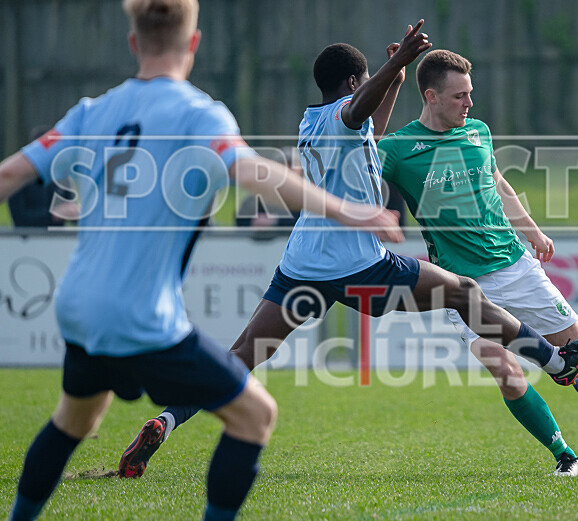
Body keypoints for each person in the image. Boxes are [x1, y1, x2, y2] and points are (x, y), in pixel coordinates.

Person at [120, 25, 578, 480]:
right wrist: (399, 66)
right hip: (356, 265)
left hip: (301, 264)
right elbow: (356, 113)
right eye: (366, 79)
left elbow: (365, 123)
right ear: (353, 81)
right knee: (463, 291)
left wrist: (388, 78)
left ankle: (166, 420)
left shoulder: (312, 120)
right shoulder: (341, 115)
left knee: (245, 352)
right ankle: (558, 363)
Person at [0, 1, 403, 520]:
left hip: (77, 305)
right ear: (193, 45)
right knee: (255, 416)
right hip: (141, 316)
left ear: (132, 44)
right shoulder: (200, 114)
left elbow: (10, 175)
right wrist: (349, 209)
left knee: (73, 421)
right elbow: (254, 172)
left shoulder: (90, 111)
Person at [376, 49, 578, 477]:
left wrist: (533, 230)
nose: (469, 104)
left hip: (514, 265)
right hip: (461, 285)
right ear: (431, 96)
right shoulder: (397, 150)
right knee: (505, 370)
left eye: (471, 94)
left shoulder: (478, 133)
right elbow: (358, 166)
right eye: (459, 96)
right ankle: (565, 455)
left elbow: (499, 183)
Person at [7, 126, 81, 227]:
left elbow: (71, 210)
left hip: (57, 239)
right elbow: (20, 218)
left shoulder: (63, 177)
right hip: (27, 240)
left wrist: (77, 213)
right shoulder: (20, 179)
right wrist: (53, 215)